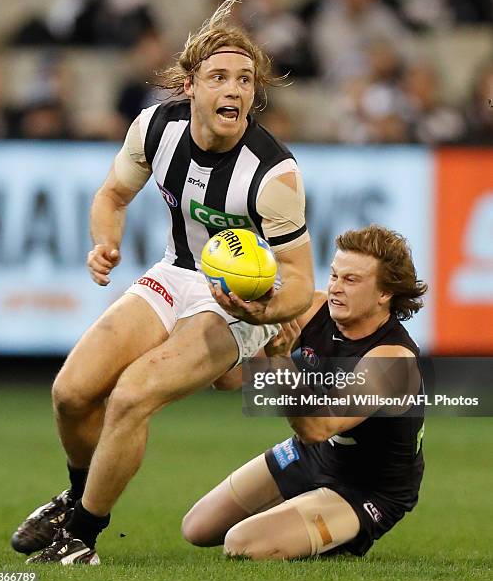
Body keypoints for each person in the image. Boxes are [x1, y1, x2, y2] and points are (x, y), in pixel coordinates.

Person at [10, 0, 314, 565]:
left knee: (131, 396)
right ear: (190, 85)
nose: (234, 90)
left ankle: (80, 537)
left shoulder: (273, 173)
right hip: (175, 273)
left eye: (245, 80)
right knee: (71, 394)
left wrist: (264, 314)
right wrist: (105, 241)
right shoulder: (157, 126)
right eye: (219, 77)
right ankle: (77, 497)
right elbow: (112, 195)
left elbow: (299, 281)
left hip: (236, 305)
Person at [183, 224, 427, 559]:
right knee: (196, 528)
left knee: (242, 545)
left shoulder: (392, 361)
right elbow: (228, 380)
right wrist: (239, 316)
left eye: (351, 280)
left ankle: (339, 538)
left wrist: (281, 359)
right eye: (335, 275)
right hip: (313, 455)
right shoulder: (315, 310)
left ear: (385, 294)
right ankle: (304, 517)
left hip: (366, 488)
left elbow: (316, 427)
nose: (336, 288)